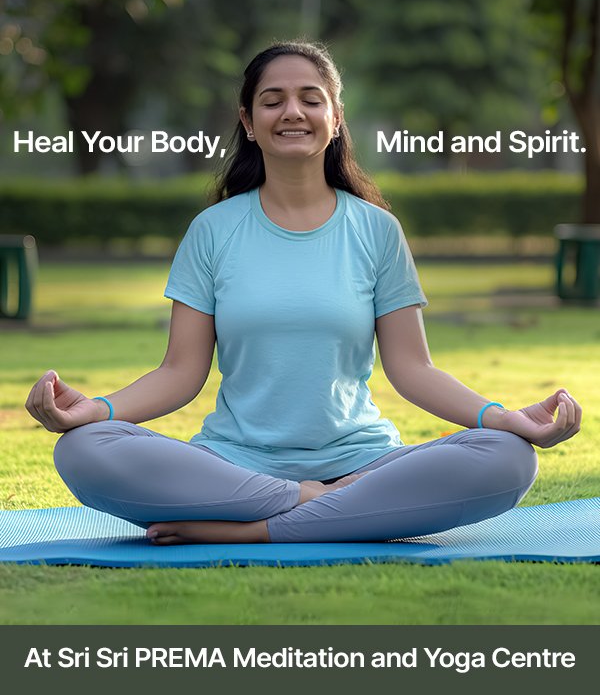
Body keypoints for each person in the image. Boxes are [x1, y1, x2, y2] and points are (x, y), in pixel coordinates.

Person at [26, 40, 581, 546]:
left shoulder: (376, 230)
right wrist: (96, 409)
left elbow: (414, 370)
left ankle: (254, 530)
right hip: (233, 466)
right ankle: (314, 507)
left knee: (508, 458)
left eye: (310, 99)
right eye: (273, 100)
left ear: (335, 119)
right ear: (248, 121)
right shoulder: (214, 230)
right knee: (83, 449)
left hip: (362, 463)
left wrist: (501, 417)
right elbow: (180, 373)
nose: (292, 112)